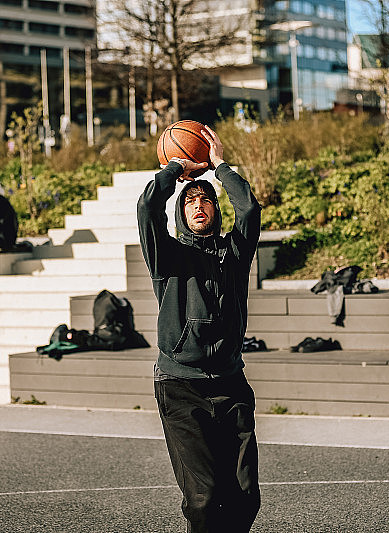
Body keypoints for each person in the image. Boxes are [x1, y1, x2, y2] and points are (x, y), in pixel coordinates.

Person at [137, 125, 262, 532]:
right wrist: (177, 168)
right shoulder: (167, 256)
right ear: (181, 212)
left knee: (244, 497)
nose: (197, 205)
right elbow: (146, 209)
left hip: (230, 383)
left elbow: (249, 210)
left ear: (214, 208)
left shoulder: (235, 253)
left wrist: (221, 166)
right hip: (180, 385)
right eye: (190, 201)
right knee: (204, 501)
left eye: (204, 199)